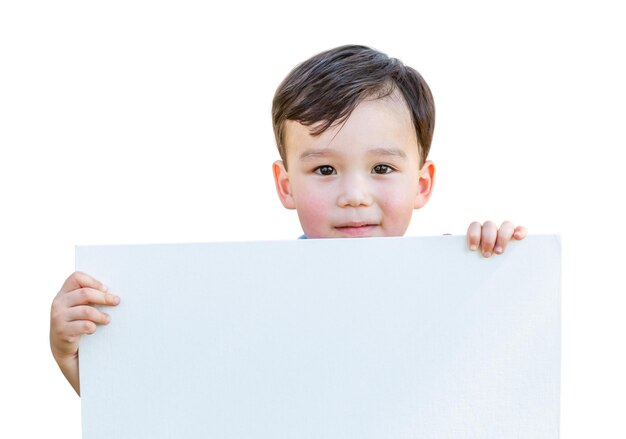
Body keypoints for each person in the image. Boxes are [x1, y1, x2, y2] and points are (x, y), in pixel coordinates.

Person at [50, 44, 527, 395]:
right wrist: (75, 357)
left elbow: (485, 387)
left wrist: (491, 270)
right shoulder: (243, 302)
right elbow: (173, 406)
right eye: (325, 169)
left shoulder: (448, 281)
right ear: (286, 186)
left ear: (421, 184)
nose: (355, 196)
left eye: (382, 168)